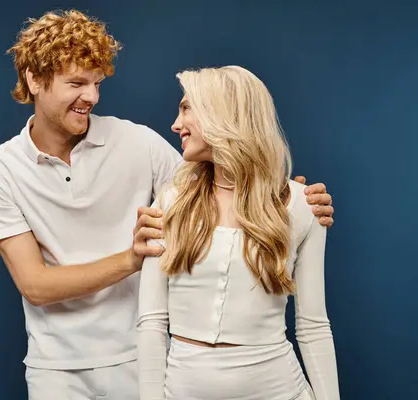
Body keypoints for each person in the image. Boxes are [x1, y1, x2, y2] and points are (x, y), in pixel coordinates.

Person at [0, 10, 335, 400]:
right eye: (77, 83)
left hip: (138, 357)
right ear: (34, 80)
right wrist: (132, 259)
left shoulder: (139, 143)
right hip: (55, 367)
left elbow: (218, 181)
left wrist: (285, 198)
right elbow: (36, 286)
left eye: (97, 83)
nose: (92, 97)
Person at [137, 65, 340, 400]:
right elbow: (152, 323)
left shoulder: (304, 206)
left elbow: (314, 326)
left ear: (223, 113)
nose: (176, 124)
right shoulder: (170, 202)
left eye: (187, 108)